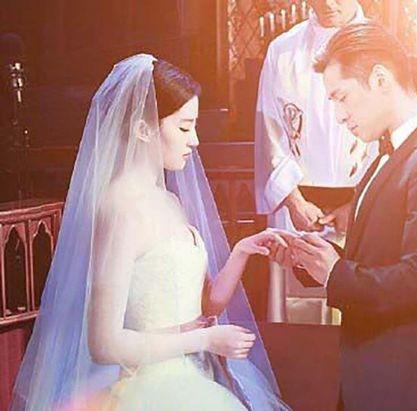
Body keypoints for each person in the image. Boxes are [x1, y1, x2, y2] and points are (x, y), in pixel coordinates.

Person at [12, 54, 290, 411]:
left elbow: (202, 306)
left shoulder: (168, 200)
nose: (195, 141)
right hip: (152, 388)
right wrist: (204, 340)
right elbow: (104, 342)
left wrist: (241, 252)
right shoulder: (121, 208)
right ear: (143, 129)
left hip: (195, 376)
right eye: (184, 128)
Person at [271, 23, 417, 411]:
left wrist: (335, 274)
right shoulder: (392, 156)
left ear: (381, 79)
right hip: (376, 380)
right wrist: (312, 260)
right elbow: (378, 259)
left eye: (342, 98)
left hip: (416, 388)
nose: (338, 115)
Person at [254, 0, 375, 323]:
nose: (329, 3)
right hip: (297, 210)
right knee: (299, 319)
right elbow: (269, 133)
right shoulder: (283, 51)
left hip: (363, 209)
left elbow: (392, 138)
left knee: (359, 317)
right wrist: (293, 201)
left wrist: (359, 205)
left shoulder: (380, 48)